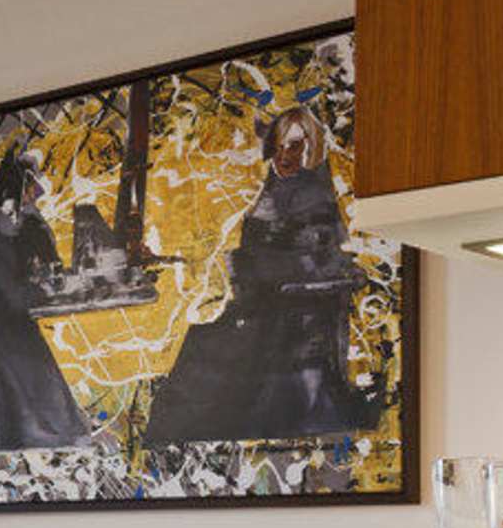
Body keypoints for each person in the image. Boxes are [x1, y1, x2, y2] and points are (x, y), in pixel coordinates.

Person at [144, 102, 382, 445]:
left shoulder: (319, 192)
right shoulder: (258, 185)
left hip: (299, 302)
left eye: (295, 145)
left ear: (312, 147)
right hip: (255, 296)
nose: (285, 155)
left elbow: (328, 251)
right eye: (280, 145)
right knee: (202, 346)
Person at [0, 153, 91, 453]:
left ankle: (35, 434)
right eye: (30, 185)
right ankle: (50, 434)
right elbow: (19, 281)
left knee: (23, 358)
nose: (36, 192)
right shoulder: (5, 231)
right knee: (31, 363)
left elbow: (38, 265)